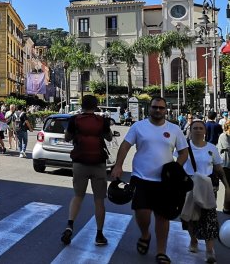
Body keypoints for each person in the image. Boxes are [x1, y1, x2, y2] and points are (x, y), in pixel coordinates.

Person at [111, 97, 189, 264]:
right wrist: (118, 165)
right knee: (142, 213)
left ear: (166, 110)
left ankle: (161, 252)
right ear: (150, 109)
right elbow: (125, 146)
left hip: (165, 182)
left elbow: (183, 152)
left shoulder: (174, 129)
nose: (158, 110)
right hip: (141, 177)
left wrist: (175, 168)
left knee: (162, 217)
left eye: (161, 108)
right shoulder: (138, 126)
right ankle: (145, 234)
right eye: (155, 107)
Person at [61, 95, 112, 246]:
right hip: (98, 163)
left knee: (77, 196)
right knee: (99, 200)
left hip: (79, 162)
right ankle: (99, 234)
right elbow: (109, 138)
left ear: (82, 106)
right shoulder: (102, 121)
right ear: (96, 106)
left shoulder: (74, 120)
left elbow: (67, 138)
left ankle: (70, 225)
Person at [181, 119, 229, 263]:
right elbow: (177, 166)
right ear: (190, 130)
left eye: (201, 128)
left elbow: (219, 169)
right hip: (188, 186)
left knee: (209, 218)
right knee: (189, 217)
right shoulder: (184, 148)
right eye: (194, 128)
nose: (198, 130)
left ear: (205, 131)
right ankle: (193, 240)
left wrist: (227, 186)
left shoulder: (211, 148)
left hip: (207, 187)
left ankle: (209, 250)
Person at [218, 122, 230, 214]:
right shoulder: (223, 136)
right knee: (228, 186)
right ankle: (226, 207)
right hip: (225, 164)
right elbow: (227, 147)